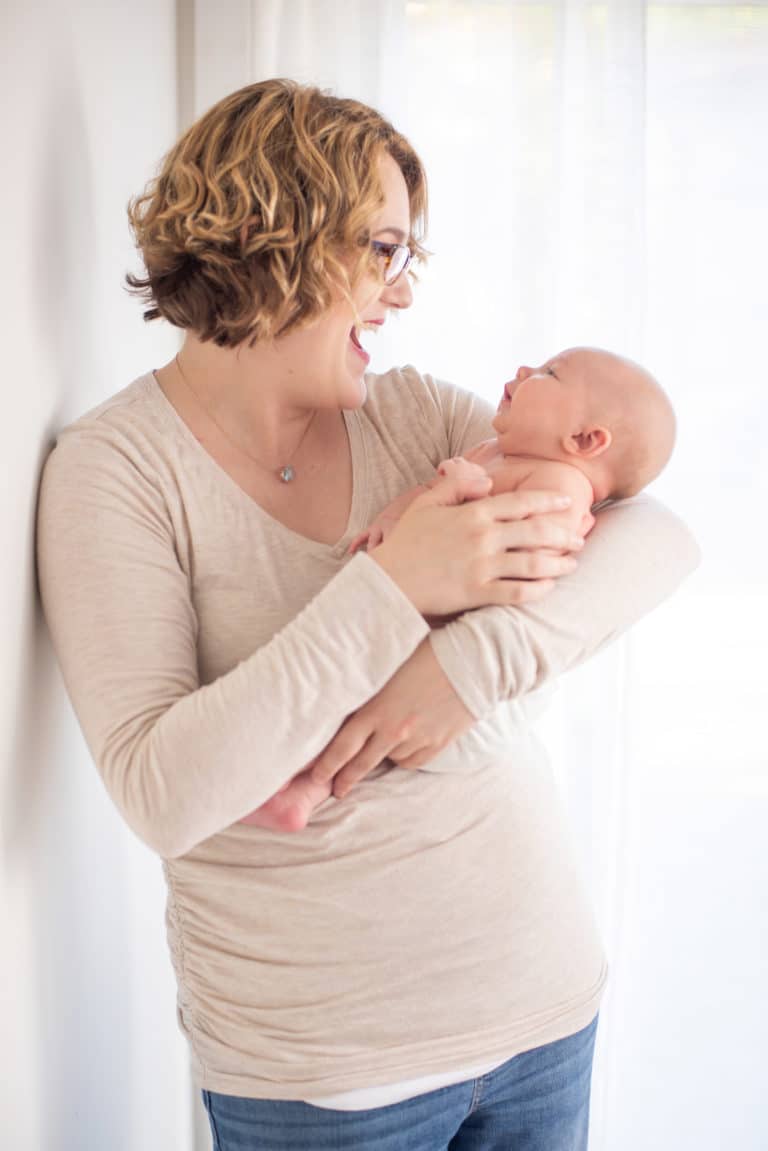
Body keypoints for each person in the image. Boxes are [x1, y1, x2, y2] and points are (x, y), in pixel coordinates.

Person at [36, 79, 698, 1150]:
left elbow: (653, 528)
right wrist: (395, 585)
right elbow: (162, 792)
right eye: (380, 250)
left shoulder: (417, 415)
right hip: (326, 1074)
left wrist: (465, 669)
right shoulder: (116, 472)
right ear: (270, 231)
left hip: (543, 1005)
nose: (398, 294)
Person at [243, 345, 677, 835]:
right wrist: (392, 519)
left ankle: (308, 786)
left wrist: (465, 489)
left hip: (482, 703)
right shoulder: (494, 453)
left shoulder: (562, 486)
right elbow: (429, 498)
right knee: (353, 702)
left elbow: (524, 542)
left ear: (584, 438)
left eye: (549, 373)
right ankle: (301, 787)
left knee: (364, 716)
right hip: (434, 630)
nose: (524, 369)